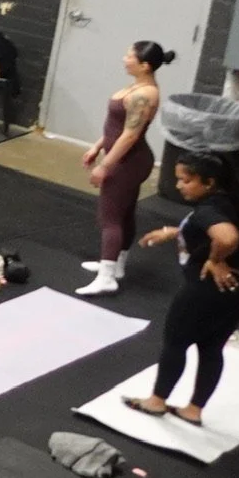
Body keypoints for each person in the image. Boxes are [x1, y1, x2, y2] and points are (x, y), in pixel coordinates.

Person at [123, 152, 239, 425]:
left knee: (175, 341)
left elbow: (227, 237)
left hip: (207, 288)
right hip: (238, 288)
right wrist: (176, 232)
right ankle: (193, 410)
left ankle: (156, 402)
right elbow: (217, 229)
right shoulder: (232, 200)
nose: (178, 186)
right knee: (211, 347)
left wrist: (215, 259)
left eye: (186, 181)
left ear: (209, 182)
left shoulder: (208, 209)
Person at [77, 40, 172, 296]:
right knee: (124, 213)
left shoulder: (145, 94)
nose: (124, 59)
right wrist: (97, 147)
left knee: (109, 218)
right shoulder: (136, 86)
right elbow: (116, 126)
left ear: (144, 65)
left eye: (129, 56)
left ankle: (107, 277)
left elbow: (130, 135)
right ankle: (115, 265)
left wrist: (105, 166)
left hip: (129, 162)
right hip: (123, 159)